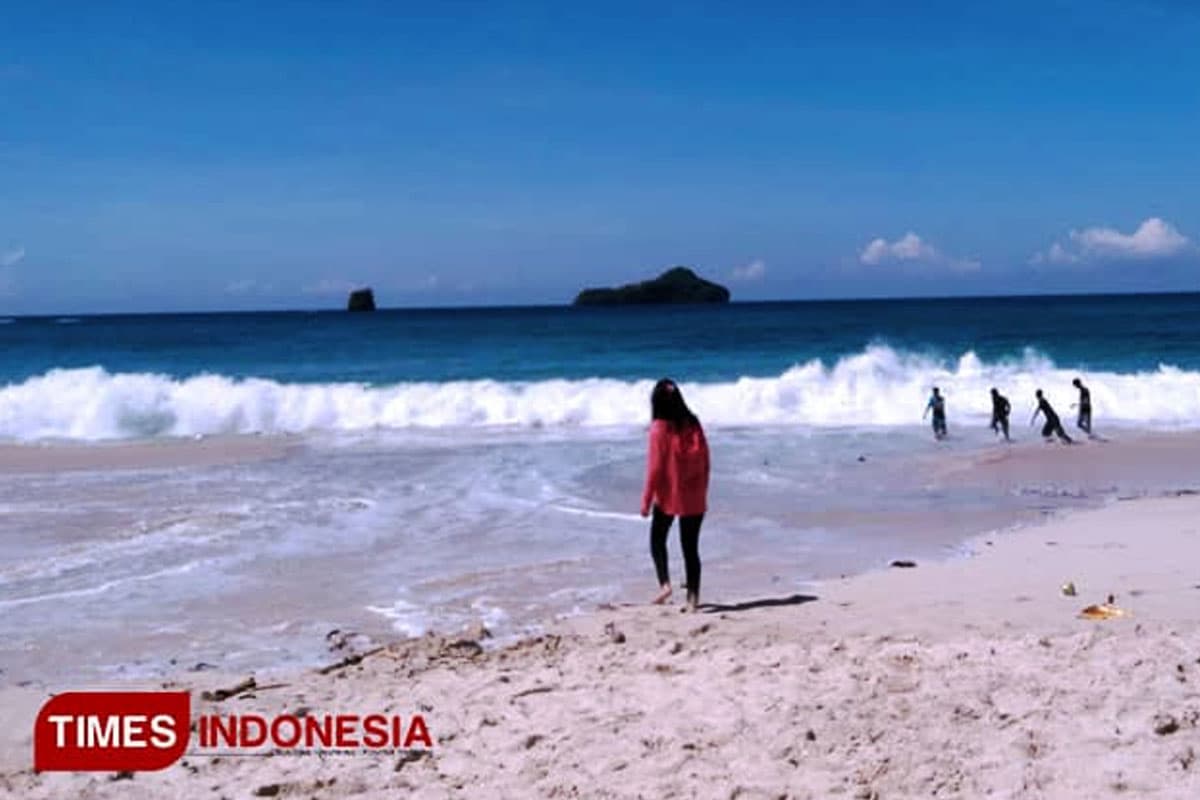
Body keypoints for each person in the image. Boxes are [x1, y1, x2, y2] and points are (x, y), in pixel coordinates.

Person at [640, 378, 710, 611]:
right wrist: (702, 490)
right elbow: (706, 460)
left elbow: (655, 468)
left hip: (669, 496)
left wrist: (646, 500)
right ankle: (693, 599)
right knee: (690, 548)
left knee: (657, 539)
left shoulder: (659, 428)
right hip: (695, 494)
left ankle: (665, 585)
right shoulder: (693, 422)